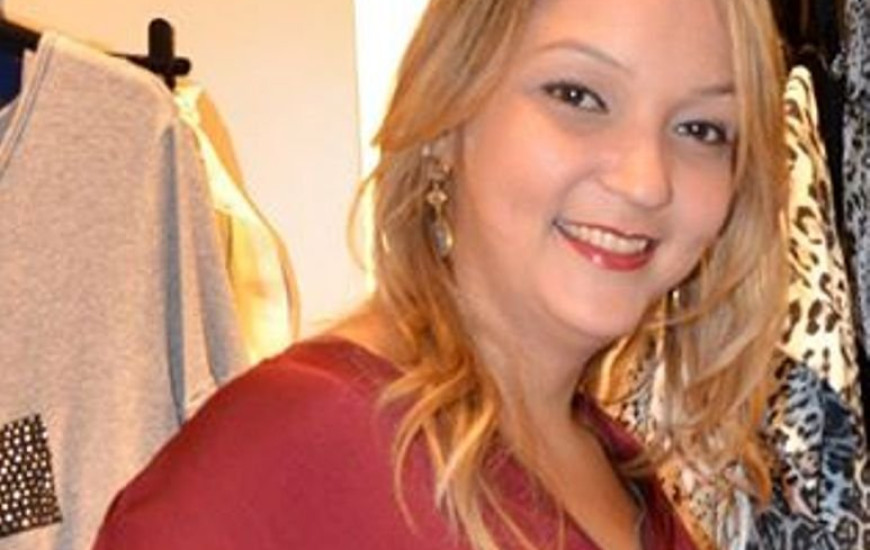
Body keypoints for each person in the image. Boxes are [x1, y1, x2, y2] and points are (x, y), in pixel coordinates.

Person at [92, 0, 788, 549]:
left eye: (701, 129)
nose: (645, 180)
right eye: (577, 95)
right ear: (447, 119)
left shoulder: (615, 466)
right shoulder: (292, 446)